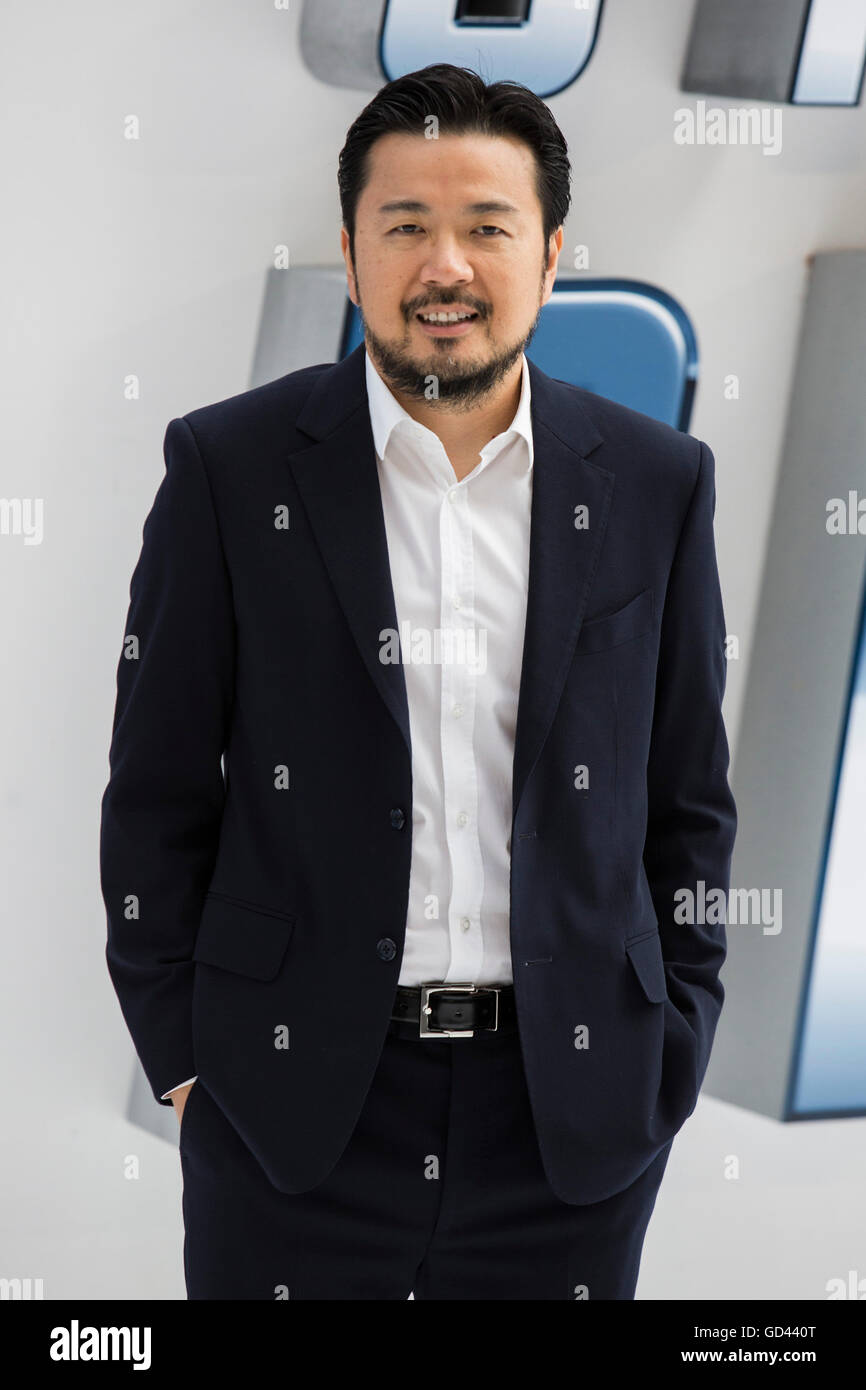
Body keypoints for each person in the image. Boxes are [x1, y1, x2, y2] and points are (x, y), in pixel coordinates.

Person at [100, 62, 737, 1300]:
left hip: (568, 1122)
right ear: (351, 253)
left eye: (486, 226)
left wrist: (671, 1048)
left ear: (550, 256)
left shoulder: (656, 482)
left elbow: (686, 804)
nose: (444, 264)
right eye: (405, 226)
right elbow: (156, 794)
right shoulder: (231, 470)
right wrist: (187, 1062)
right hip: (295, 1113)